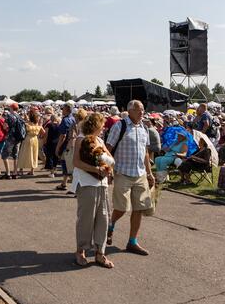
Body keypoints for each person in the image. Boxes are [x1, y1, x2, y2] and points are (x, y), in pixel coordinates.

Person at [105, 100, 156, 256]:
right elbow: (108, 149)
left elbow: (145, 153)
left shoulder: (144, 128)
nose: (142, 112)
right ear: (130, 110)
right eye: (138, 110)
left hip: (140, 174)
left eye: (142, 110)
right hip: (122, 172)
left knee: (139, 208)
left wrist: (149, 173)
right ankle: (110, 224)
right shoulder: (120, 126)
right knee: (121, 208)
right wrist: (108, 169)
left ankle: (132, 242)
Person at [72, 113, 114, 269]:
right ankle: (81, 250)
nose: (103, 128)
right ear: (95, 125)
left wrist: (107, 168)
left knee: (103, 218)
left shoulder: (100, 141)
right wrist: (96, 168)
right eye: (102, 125)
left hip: (101, 184)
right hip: (86, 183)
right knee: (86, 219)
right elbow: (76, 162)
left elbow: (110, 159)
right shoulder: (81, 139)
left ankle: (100, 252)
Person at [1, 103, 25, 180]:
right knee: (15, 155)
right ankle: (15, 172)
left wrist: (7, 130)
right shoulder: (19, 116)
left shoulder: (9, 116)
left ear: (11, 108)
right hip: (18, 138)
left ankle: (8, 173)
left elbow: (5, 126)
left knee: (5, 154)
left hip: (10, 137)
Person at [17, 110, 44, 176]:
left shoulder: (27, 123)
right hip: (35, 139)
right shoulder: (38, 124)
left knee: (23, 154)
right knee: (34, 154)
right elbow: (43, 132)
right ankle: (32, 170)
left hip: (27, 139)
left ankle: (21, 169)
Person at [55, 104, 76, 189]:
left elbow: (62, 135)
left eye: (63, 109)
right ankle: (64, 183)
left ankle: (76, 187)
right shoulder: (73, 119)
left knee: (66, 164)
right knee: (65, 163)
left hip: (65, 144)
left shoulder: (65, 120)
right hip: (71, 144)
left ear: (66, 110)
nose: (62, 110)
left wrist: (58, 147)